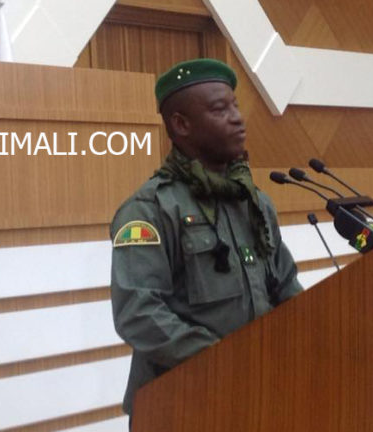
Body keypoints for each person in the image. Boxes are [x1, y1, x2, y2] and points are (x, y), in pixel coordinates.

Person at [109, 58, 303, 419]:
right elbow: (138, 313)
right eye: (219, 109)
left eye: (235, 105)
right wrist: (223, 361)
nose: (237, 118)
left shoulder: (255, 202)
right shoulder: (149, 209)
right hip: (182, 403)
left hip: (256, 395)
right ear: (181, 124)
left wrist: (314, 331)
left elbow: (285, 285)